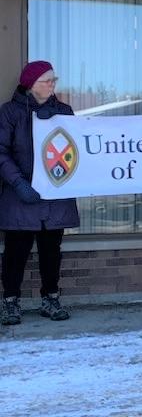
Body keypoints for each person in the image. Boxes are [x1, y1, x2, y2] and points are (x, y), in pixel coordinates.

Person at [0, 61, 80, 325]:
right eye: (47, 80)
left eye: (53, 80)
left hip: (55, 199)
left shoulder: (64, 112)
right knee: (15, 253)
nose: (52, 84)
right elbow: (1, 152)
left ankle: (51, 298)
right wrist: (19, 183)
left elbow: (84, 144)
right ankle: (10, 302)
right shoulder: (10, 113)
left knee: (51, 252)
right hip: (20, 198)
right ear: (31, 84)